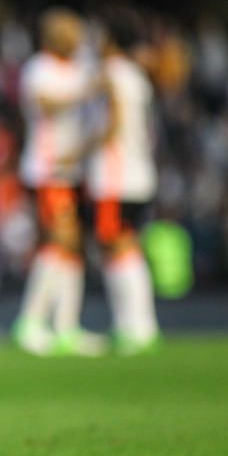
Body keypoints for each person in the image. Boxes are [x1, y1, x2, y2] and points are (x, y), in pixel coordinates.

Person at [11, 8, 107, 357]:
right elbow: (46, 104)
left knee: (71, 246)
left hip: (74, 168)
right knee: (60, 240)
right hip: (47, 167)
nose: (77, 38)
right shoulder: (39, 68)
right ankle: (31, 322)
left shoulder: (79, 67)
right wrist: (88, 89)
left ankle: (66, 326)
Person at [85, 19, 160, 355]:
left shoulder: (111, 72)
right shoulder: (135, 75)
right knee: (127, 245)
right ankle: (140, 325)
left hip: (116, 173)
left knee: (116, 246)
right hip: (139, 170)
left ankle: (133, 327)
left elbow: (113, 121)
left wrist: (83, 148)